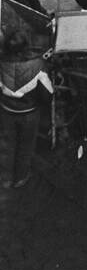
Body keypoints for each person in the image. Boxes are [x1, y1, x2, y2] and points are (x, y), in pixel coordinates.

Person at [0, 28, 52, 190]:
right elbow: (47, 95)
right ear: (26, 47)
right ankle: (21, 177)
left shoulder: (1, 63)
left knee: (6, 145)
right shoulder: (38, 66)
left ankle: (6, 179)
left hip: (7, 111)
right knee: (26, 145)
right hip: (29, 114)